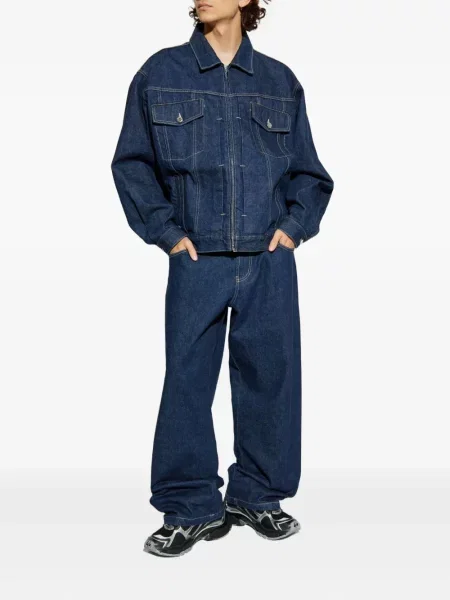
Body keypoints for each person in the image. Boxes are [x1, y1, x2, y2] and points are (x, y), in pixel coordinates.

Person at [111, 0, 334, 558]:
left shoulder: (279, 81)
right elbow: (132, 163)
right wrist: (167, 233)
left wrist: (292, 229)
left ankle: (258, 496)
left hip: (268, 258)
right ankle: (190, 507)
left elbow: (309, 173)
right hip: (197, 257)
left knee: (271, 379)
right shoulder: (161, 72)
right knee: (187, 382)